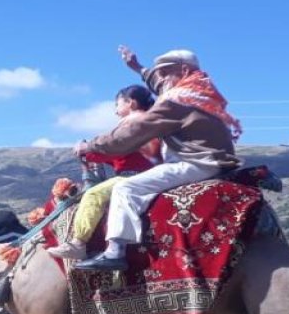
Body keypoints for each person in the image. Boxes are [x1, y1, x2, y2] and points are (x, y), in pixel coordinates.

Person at [74, 46, 243, 271]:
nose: (160, 79)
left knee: (125, 189)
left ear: (183, 70)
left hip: (195, 163)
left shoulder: (176, 99)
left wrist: (91, 145)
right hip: (216, 160)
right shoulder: (201, 91)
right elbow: (161, 83)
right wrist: (138, 68)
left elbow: (134, 132)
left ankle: (115, 252)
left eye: (165, 72)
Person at [47, 85, 159, 260]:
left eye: (117, 104)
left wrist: (87, 150)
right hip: (148, 173)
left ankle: (78, 243)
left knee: (93, 194)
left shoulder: (133, 122)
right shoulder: (153, 122)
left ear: (131, 103)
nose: (115, 111)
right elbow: (119, 155)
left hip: (134, 176)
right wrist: (93, 156)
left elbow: (115, 148)